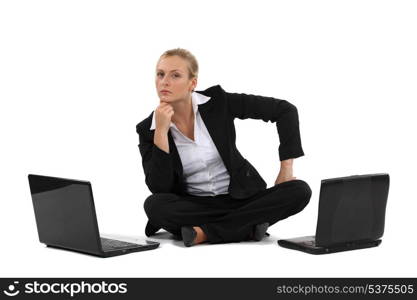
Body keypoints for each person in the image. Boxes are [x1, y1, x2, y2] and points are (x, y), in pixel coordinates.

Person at [136, 48, 312, 247]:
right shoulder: (147, 129)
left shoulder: (219, 102)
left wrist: (286, 169)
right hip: (195, 205)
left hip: (241, 198)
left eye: (175, 75)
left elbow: (284, 110)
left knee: (299, 190)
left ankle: (204, 233)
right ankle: (246, 227)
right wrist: (160, 131)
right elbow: (160, 188)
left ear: (192, 83)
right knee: (154, 206)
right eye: (160, 74)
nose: (164, 82)